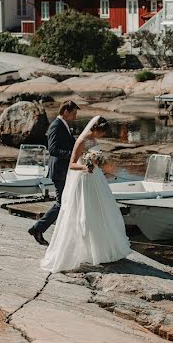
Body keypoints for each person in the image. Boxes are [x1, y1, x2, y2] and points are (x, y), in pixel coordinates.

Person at [40, 116, 131, 273]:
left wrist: (101, 164)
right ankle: (84, 251)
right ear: (95, 128)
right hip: (83, 182)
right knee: (84, 215)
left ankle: (102, 250)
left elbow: (97, 160)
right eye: (102, 132)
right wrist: (85, 167)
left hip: (96, 180)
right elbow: (72, 164)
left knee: (102, 213)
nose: (102, 136)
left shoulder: (94, 140)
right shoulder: (81, 141)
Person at [28, 100, 79, 246]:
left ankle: (47, 230)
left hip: (65, 170)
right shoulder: (55, 126)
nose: (75, 117)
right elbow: (53, 150)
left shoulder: (64, 125)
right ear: (66, 112)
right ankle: (37, 228)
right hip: (59, 171)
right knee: (61, 203)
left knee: (66, 203)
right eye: (73, 114)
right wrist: (72, 155)